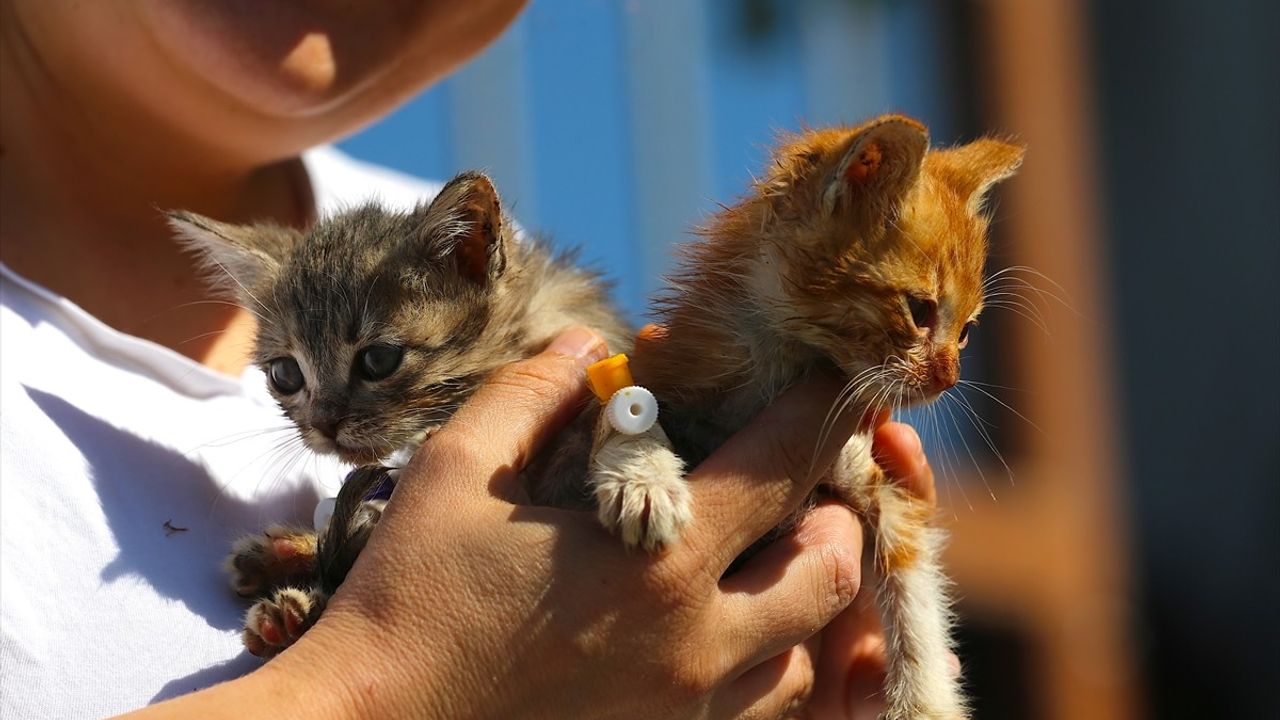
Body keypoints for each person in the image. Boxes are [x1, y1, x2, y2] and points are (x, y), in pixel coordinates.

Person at [0, 1, 942, 717]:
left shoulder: (471, 271)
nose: (321, 422)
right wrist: (393, 681)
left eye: (372, 369)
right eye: (286, 380)